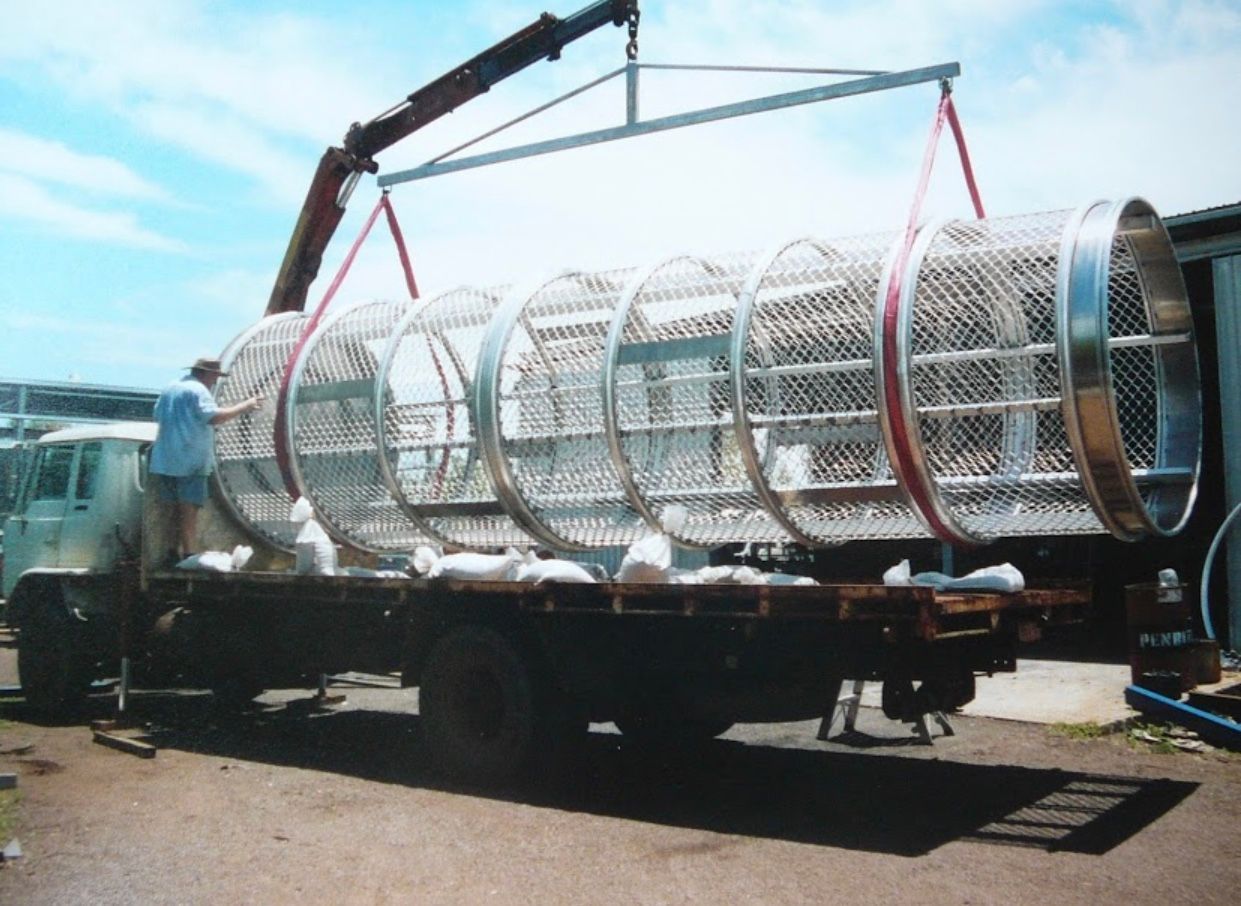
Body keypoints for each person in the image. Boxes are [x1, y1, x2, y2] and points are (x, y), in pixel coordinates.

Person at [150, 357, 263, 562]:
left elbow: (157, 415)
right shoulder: (198, 391)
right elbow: (213, 417)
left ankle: (171, 553)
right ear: (207, 374)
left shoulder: (170, 388)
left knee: (171, 511)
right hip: (190, 461)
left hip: (164, 460)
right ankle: (189, 554)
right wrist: (244, 406)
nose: (215, 382)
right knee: (189, 510)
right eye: (215, 377)